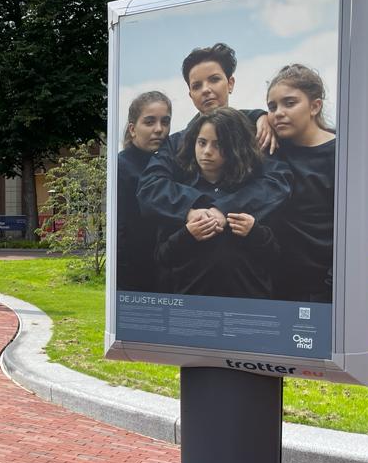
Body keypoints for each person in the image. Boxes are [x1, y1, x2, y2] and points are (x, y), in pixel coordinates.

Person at [138, 43, 291, 241]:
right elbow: (150, 187)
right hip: (190, 261)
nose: (206, 90)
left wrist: (224, 209)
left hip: (248, 259)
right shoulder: (176, 143)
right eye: (197, 86)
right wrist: (190, 210)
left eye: (214, 79)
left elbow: (277, 182)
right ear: (190, 94)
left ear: (230, 83)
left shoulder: (257, 132)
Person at [155, 108, 282, 299]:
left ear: (234, 146)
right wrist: (188, 234)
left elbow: (275, 254)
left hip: (249, 307)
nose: (207, 151)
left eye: (218, 144)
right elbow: (162, 257)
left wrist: (254, 231)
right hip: (193, 308)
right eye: (202, 142)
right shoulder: (180, 196)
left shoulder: (254, 194)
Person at [265, 64, 336, 303]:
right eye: (272, 107)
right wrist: (258, 118)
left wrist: (331, 284)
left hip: (325, 289)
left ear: (315, 106)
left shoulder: (342, 153)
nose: (278, 113)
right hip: (277, 285)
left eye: (289, 103)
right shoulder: (273, 149)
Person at [117, 91, 171, 292]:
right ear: (133, 129)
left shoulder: (169, 163)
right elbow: (121, 230)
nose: (159, 129)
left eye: (165, 122)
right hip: (135, 278)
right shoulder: (121, 166)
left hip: (167, 273)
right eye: (149, 122)